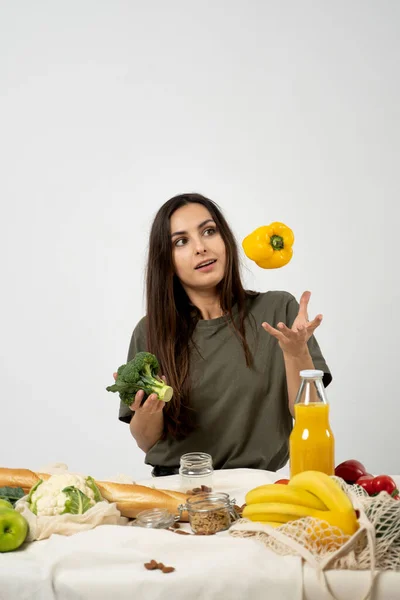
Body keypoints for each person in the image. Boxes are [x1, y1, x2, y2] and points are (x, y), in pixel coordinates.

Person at [117, 193, 331, 476]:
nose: (201, 248)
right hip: (177, 488)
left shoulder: (278, 309)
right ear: (166, 261)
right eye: (181, 241)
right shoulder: (150, 331)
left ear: (226, 240)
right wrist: (149, 411)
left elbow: (307, 416)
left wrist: (296, 353)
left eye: (209, 231)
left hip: (256, 487)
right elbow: (148, 443)